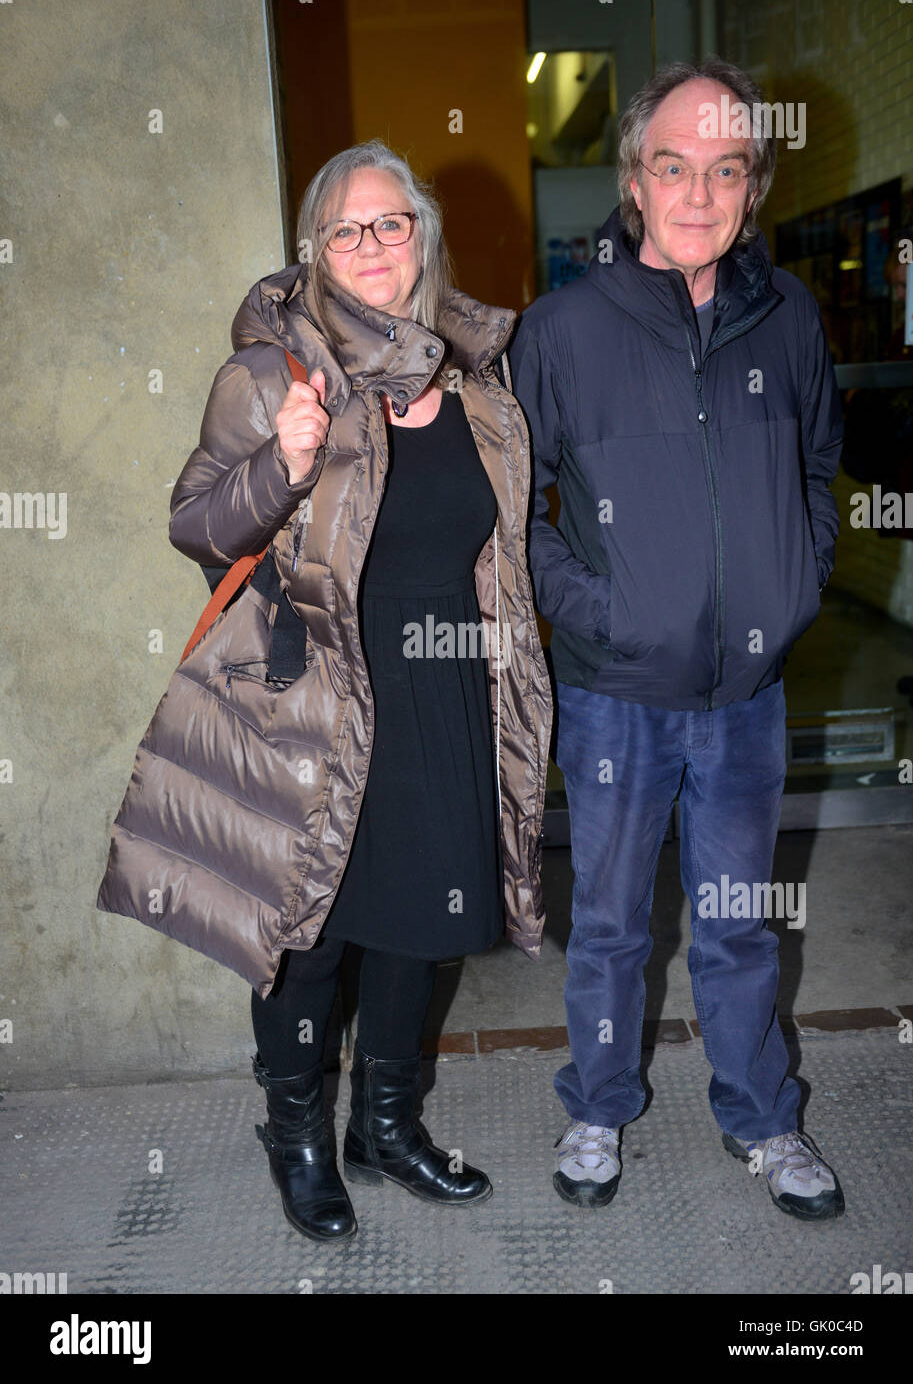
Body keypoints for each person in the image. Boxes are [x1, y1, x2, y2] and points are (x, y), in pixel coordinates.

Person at [96, 140, 552, 1242]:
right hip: (313, 705)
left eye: (390, 222)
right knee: (309, 940)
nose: (371, 244)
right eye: (346, 228)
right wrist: (281, 466)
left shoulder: (474, 383)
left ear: (423, 238)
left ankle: (385, 1125)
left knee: (421, 926)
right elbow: (195, 525)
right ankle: (297, 1135)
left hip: (444, 702)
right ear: (315, 249)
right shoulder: (269, 375)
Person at [510, 60, 845, 1220]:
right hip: (614, 694)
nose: (697, 194)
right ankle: (597, 1104)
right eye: (672, 166)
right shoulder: (560, 330)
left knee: (738, 924)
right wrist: (596, 610)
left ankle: (763, 1118)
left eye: (725, 169)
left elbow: (814, 469)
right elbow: (517, 508)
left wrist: (795, 582)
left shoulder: (788, 314)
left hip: (746, 693)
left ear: (751, 187)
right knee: (606, 923)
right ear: (633, 180)